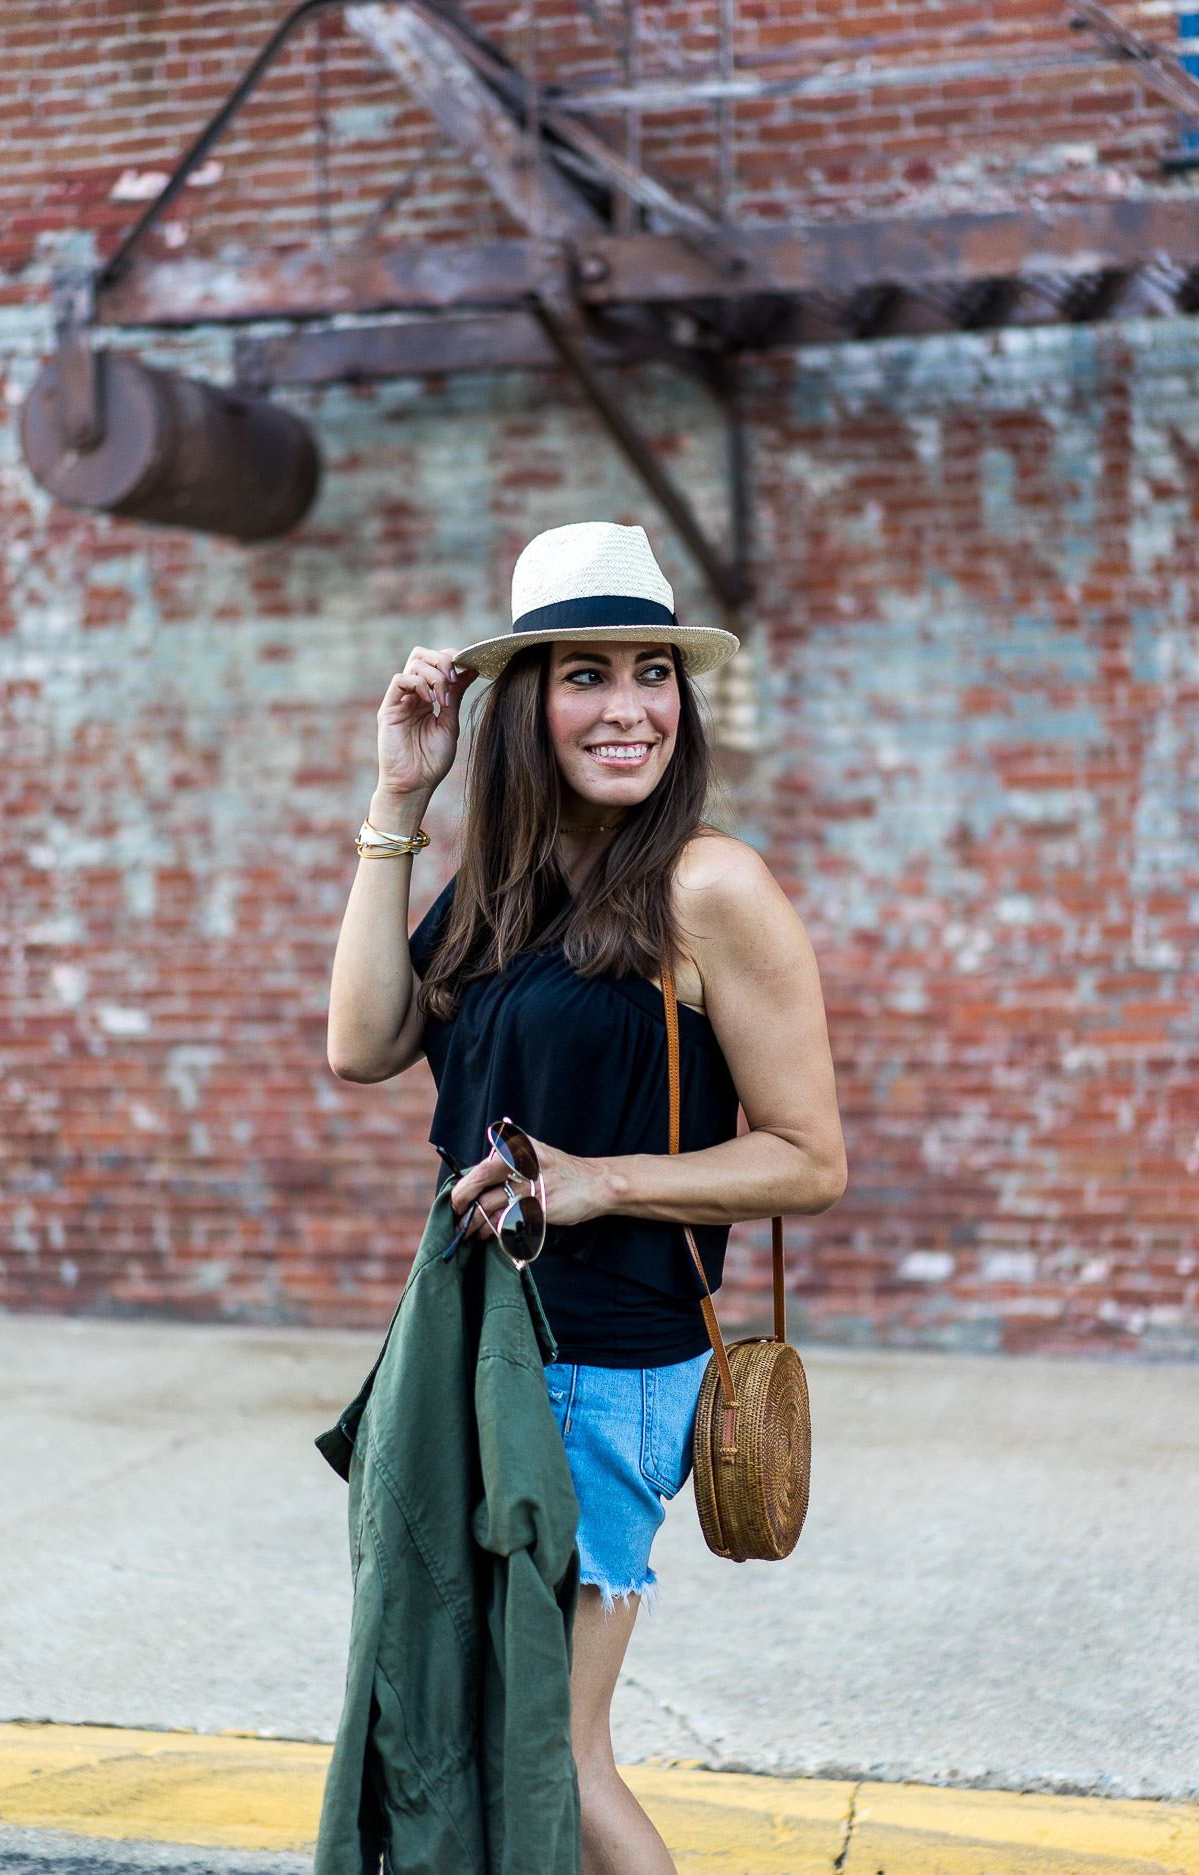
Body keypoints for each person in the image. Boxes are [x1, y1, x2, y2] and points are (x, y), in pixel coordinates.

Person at [327, 521, 846, 1875]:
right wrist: (399, 805)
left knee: (553, 1745)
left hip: (607, 1364)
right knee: (474, 1722)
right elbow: (361, 1043)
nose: (628, 708)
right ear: (524, 707)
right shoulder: (500, 885)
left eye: (651, 673)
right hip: (474, 1350)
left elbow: (806, 1155)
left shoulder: (710, 885)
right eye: (585, 676)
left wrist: (598, 1180)